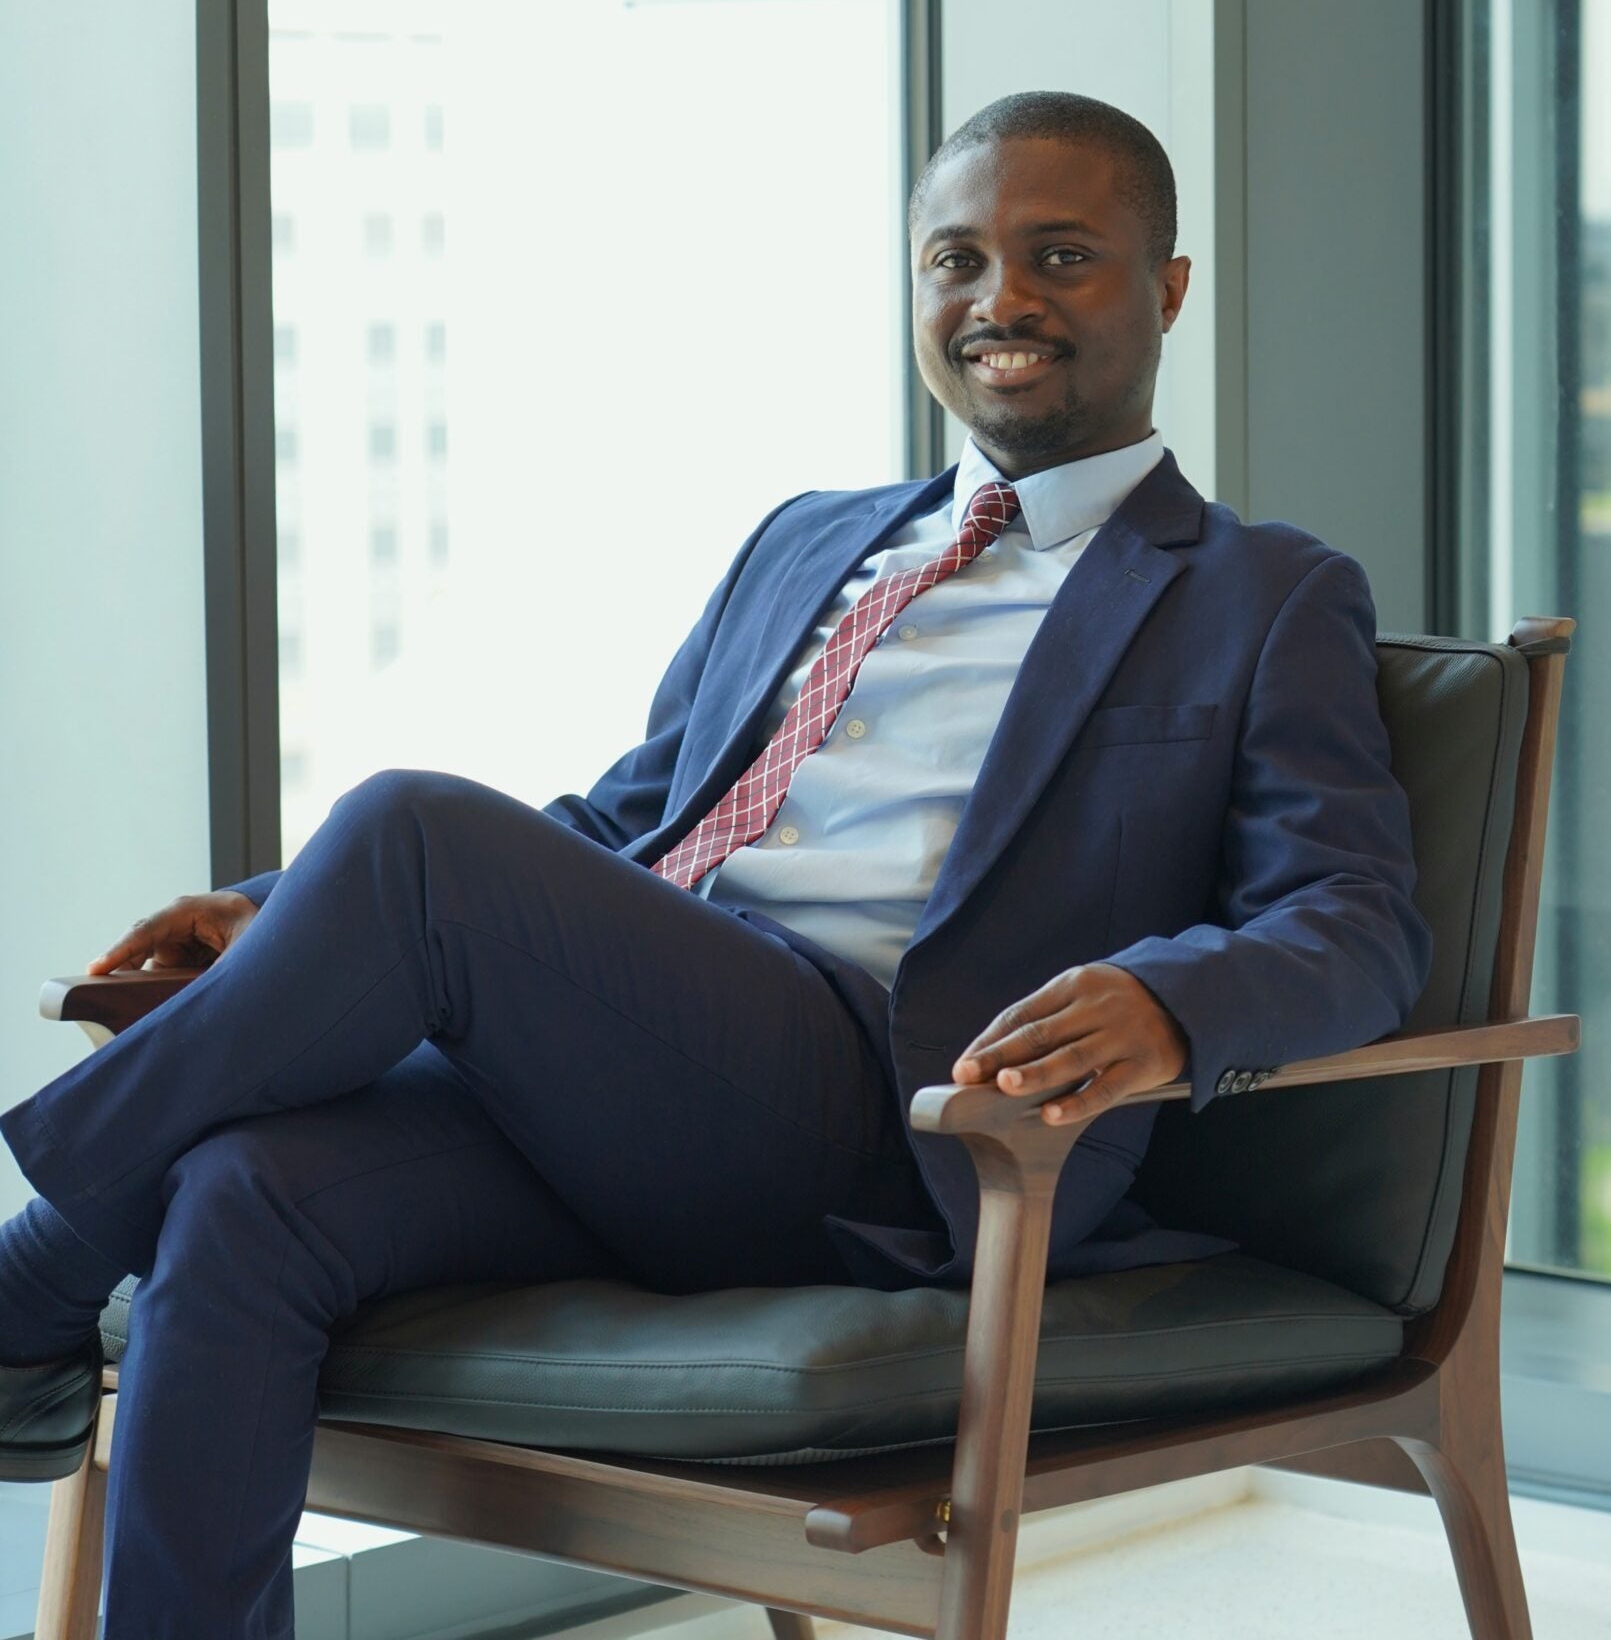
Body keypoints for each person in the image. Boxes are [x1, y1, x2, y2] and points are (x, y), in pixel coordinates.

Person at [0, 91, 1427, 1635]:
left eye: (1061, 255)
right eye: (955, 258)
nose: (999, 297)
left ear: (1168, 287)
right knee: (242, 1192)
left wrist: (1171, 1002)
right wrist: (275, 913)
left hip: (887, 1120)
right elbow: (628, 827)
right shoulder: (809, 540)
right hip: (637, 1096)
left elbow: (1354, 917)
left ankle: (28, 1278)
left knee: (411, 823)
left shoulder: (1260, 592)